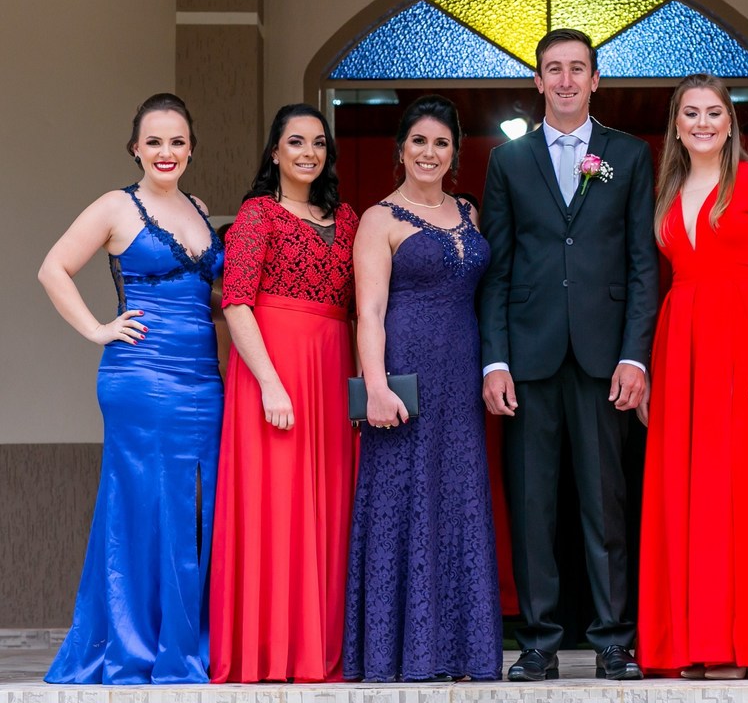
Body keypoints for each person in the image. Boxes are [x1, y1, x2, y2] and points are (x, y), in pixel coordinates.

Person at [479, 28, 658, 682]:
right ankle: (538, 642)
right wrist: (494, 360)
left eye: (577, 68)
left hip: (605, 357)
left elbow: (642, 265)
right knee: (532, 506)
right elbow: (497, 268)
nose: (565, 80)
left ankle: (613, 640)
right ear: (537, 80)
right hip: (528, 357)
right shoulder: (508, 161)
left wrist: (636, 356)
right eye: (553, 69)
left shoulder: (628, 155)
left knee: (606, 502)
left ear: (595, 79)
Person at [39, 93, 222, 684]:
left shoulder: (199, 208)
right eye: (154, 141)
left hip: (204, 379)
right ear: (135, 148)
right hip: (142, 376)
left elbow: (215, 296)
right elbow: (52, 268)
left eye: (177, 141)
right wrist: (98, 329)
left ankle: (184, 639)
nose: (166, 151)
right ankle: (138, 644)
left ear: (191, 149)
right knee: (147, 505)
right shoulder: (116, 205)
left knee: (197, 508)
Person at [636, 74, 748, 680]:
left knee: (743, 491)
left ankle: (741, 642)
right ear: (676, 126)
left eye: (713, 112)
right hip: (682, 346)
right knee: (688, 491)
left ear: (731, 123)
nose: (702, 123)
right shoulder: (666, 189)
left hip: (747, 340)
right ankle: (695, 641)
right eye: (691, 113)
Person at [343, 95, 502, 681]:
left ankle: (458, 651)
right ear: (401, 149)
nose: (429, 153)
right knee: (403, 499)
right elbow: (369, 311)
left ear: (455, 152)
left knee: (456, 497)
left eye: (441, 143)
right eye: (419, 141)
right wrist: (376, 387)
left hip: (460, 374)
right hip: (404, 371)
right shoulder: (378, 218)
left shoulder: (468, 213)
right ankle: (399, 653)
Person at [209, 103, 359, 683]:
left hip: (332, 368)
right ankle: (268, 650)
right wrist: (271, 383)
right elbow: (236, 302)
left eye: (318, 143)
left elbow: (364, 305)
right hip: (271, 373)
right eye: (296, 142)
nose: (308, 153)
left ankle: (318, 647)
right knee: (274, 505)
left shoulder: (347, 219)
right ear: (275, 152)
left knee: (329, 507)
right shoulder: (257, 215)